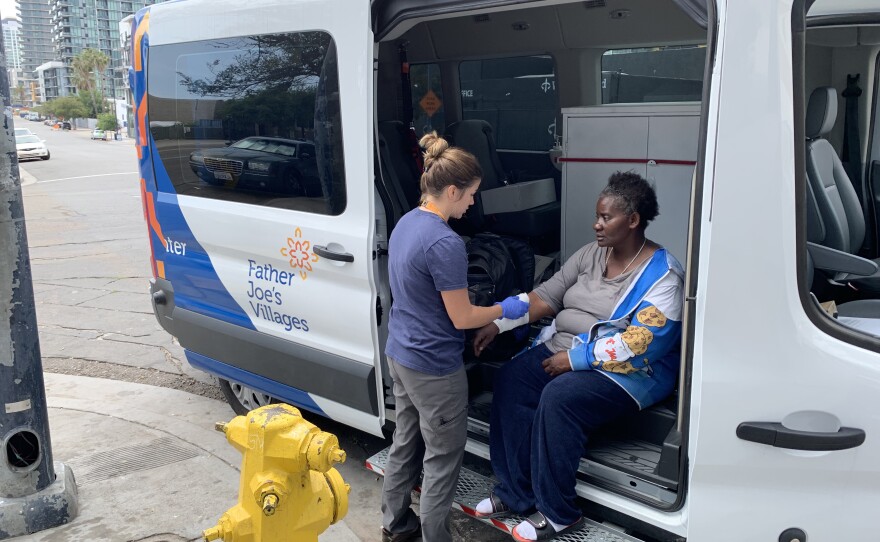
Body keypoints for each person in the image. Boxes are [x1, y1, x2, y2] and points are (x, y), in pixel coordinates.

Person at [472, 171, 684, 542]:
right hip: (567, 349)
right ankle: (515, 492)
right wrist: (497, 322)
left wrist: (576, 360)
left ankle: (558, 513)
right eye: (597, 216)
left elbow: (643, 343)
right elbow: (545, 296)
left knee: (561, 397)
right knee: (512, 379)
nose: (596, 224)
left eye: (606, 218)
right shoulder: (591, 252)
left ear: (633, 220)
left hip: (631, 372)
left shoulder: (663, 276)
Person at [381, 132, 531, 542]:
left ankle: (395, 525)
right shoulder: (445, 242)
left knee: (405, 443)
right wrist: (507, 309)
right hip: (434, 367)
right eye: (470, 196)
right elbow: (462, 317)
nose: (471, 205)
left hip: (401, 352)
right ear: (451, 190)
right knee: (443, 459)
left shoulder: (406, 223)